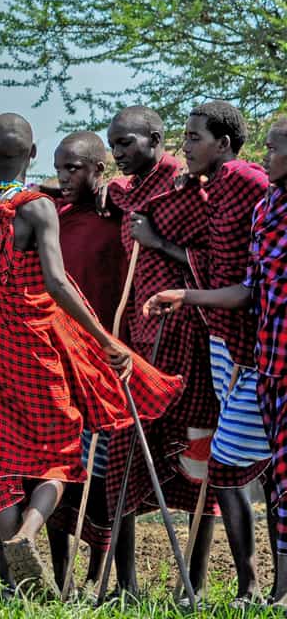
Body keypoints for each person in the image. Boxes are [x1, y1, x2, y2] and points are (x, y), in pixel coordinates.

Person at [0, 113, 180, 596]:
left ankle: (16, 582)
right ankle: (25, 536)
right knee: (59, 455)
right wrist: (104, 340)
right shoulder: (37, 210)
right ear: (33, 157)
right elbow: (57, 284)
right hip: (29, 347)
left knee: (0, 465)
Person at [145, 116, 287, 607]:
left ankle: (256, 587)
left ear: (224, 144)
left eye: (193, 138)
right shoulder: (243, 194)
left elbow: (245, 279)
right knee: (263, 467)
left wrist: (170, 262)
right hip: (230, 339)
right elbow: (235, 270)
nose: (185, 147)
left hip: (256, 348)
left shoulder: (249, 184)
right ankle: (262, 588)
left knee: (229, 463)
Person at [104, 105, 212, 597]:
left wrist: (158, 241)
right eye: (113, 145)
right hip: (135, 343)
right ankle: (124, 584)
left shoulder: (188, 189)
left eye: (126, 143)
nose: (118, 153)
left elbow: (218, 262)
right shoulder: (126, 191)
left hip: (187, 339)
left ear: (155, 138)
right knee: (122, 459)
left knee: (197, 460)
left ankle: (191, 582)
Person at [42, 130, 128, 592]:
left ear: (100, 168)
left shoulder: (122, 218)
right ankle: (60, 578)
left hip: (107, 365)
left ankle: (97, 577)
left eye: (73, 168)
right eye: (58, 168)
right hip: (57, 364)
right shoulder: (53, 216)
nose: (64, 177)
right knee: (59, 470)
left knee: (101, 478)